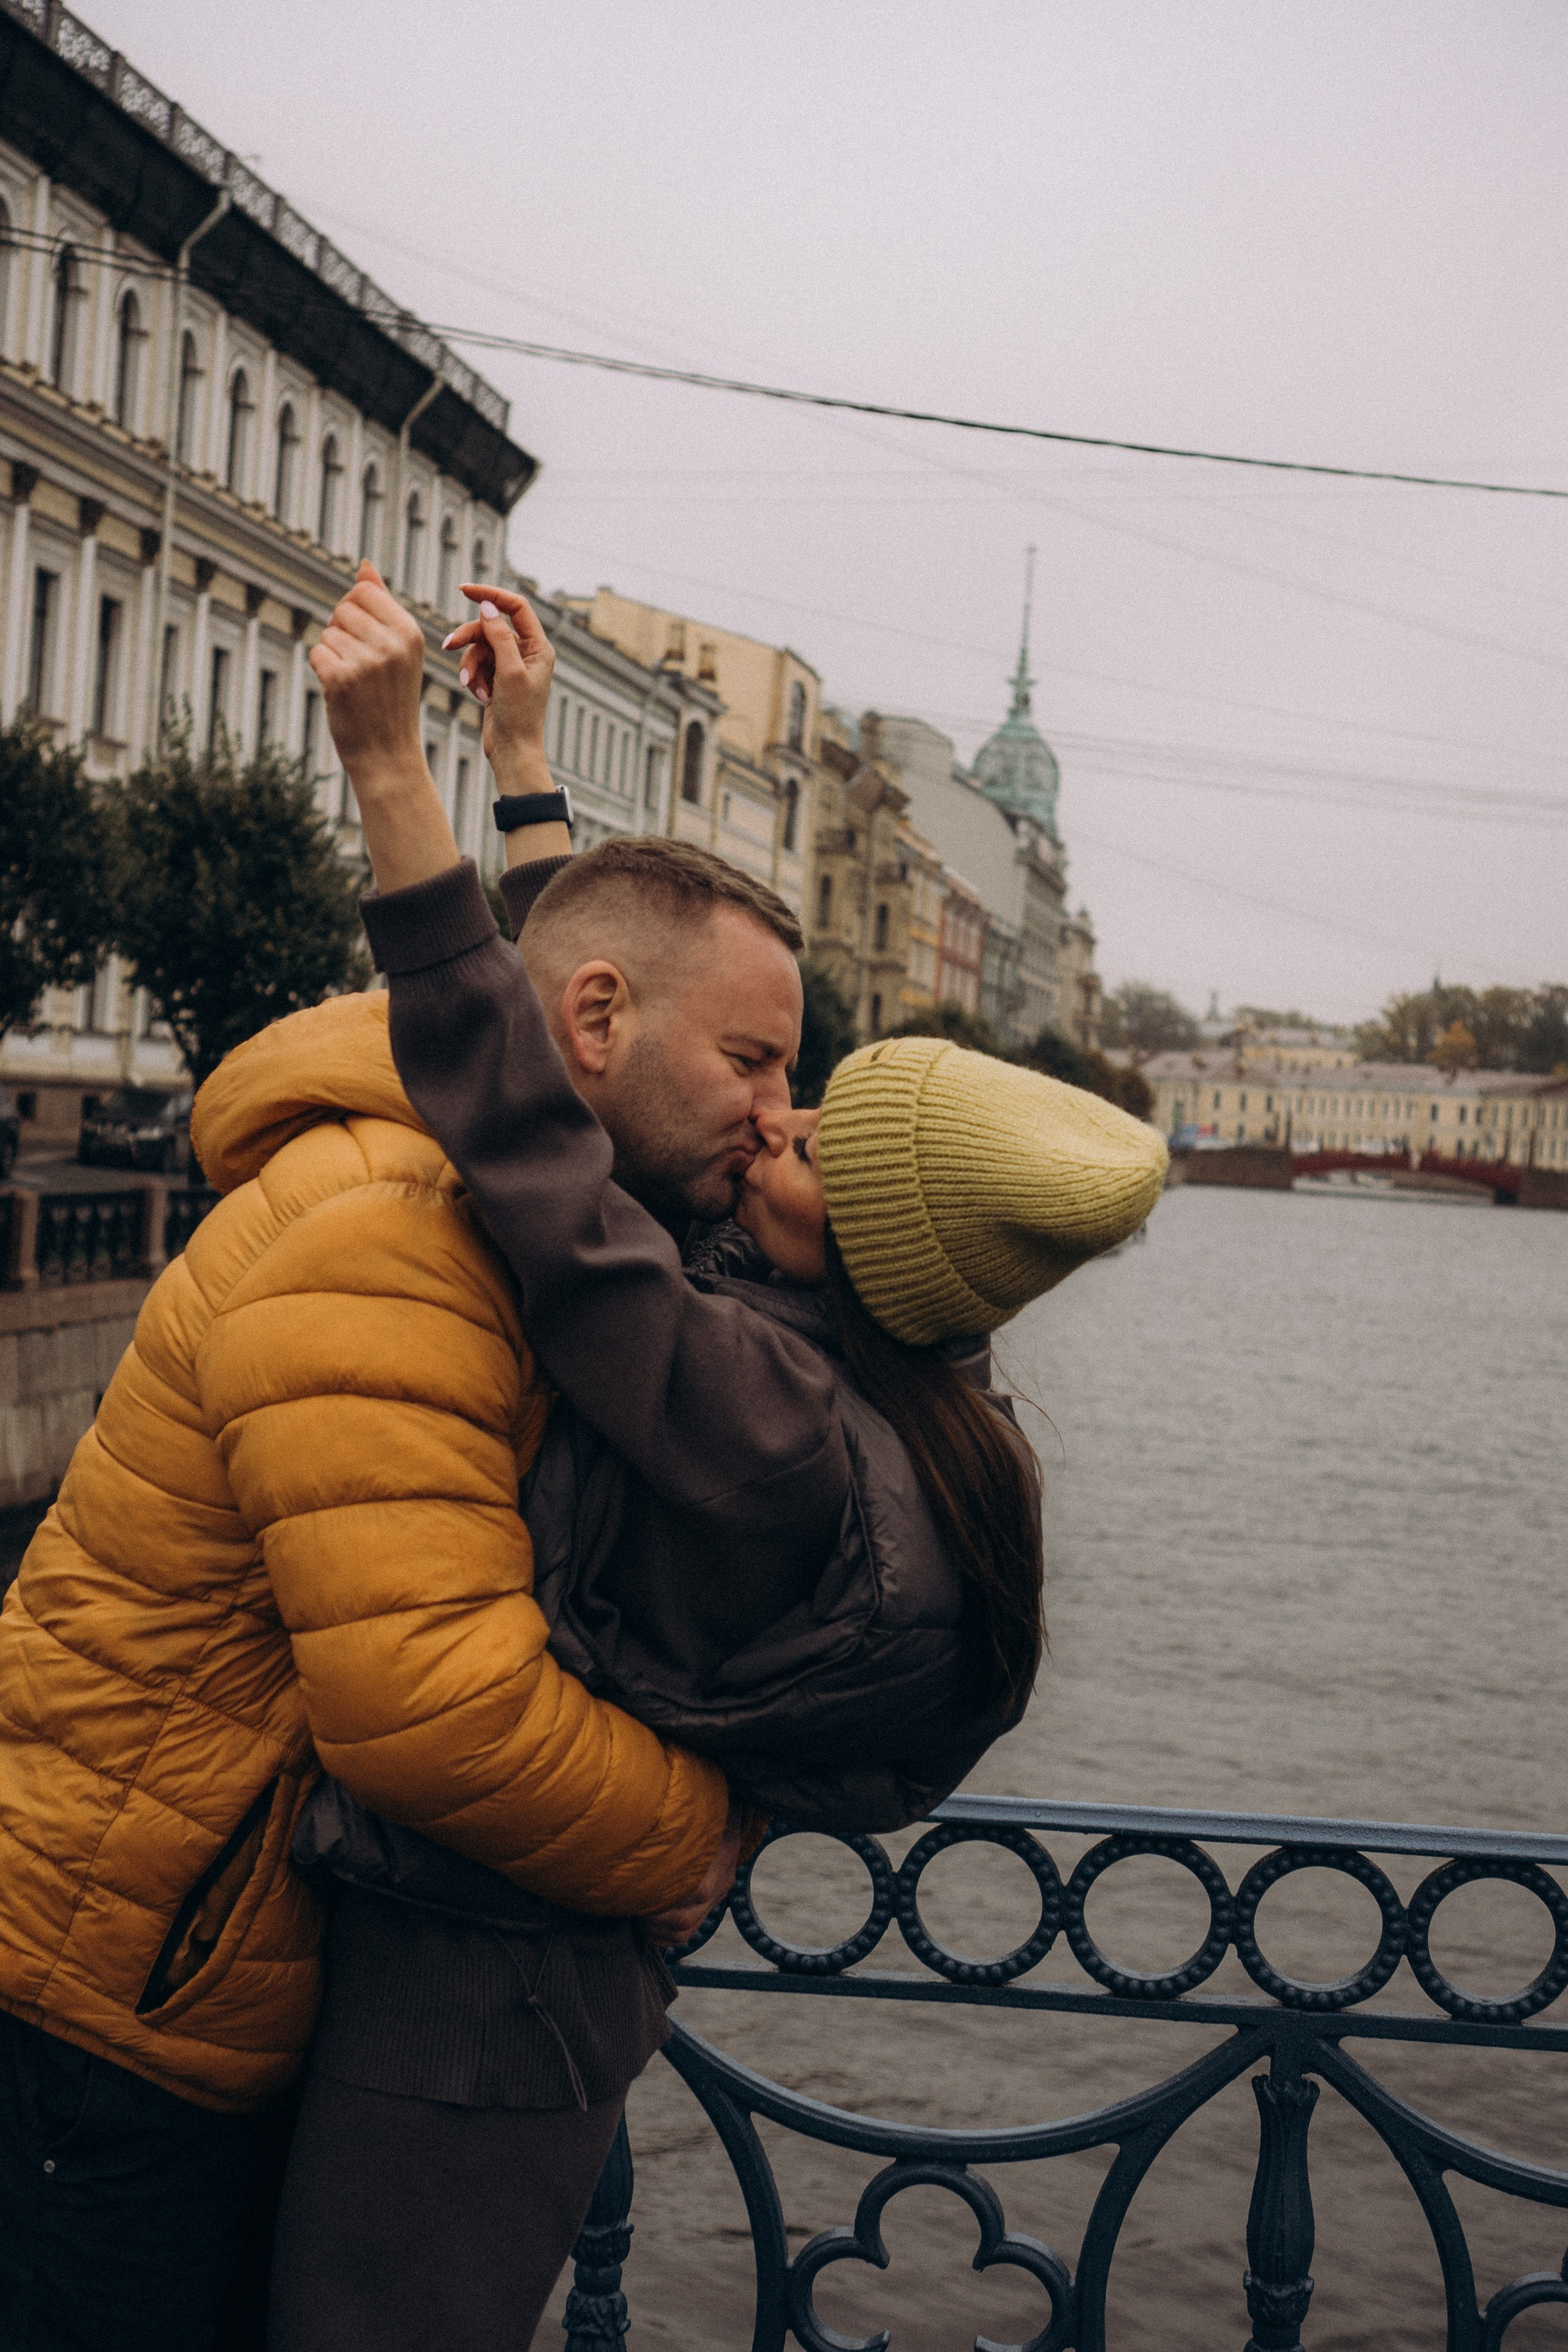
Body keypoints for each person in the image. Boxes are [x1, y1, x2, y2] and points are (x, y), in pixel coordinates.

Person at [269, 565, 1166, 2348]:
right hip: (524, 1972)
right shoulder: (859, 1368)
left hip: (474, 1998)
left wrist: (396, 789)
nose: (778, 1114)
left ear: (874, 1249)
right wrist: (527, 768)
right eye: (787, 1080)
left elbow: (544, 1155)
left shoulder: (760, 1411)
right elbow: (604, 1054)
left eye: (822, 1138)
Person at [0, 807, 748, 2340]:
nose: (775, 1111)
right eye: (752, 1062)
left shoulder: (465, 1210)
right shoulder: (396, 1230)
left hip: (148, 1958)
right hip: (105, 1997)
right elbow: (430, 1709)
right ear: (594, 1021)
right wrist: (693, 1841)